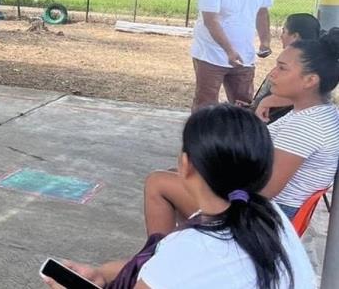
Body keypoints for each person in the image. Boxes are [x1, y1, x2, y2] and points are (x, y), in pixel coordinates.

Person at [42, 105, 315, 289]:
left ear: (186, 165)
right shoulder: (266, 214)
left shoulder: (193, 248)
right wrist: (100, 273)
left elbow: (173, 263)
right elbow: (159, 266)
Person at [144, 28, 339, 237]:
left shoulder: (305, 128)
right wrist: (271, 99)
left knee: (159, 182)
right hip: (269, 210)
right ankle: (195, 247)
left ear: (310, 80)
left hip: (263, 219)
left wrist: (214, 182)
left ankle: (157, 258)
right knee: (179, 173)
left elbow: (265, 191)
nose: (272, 73)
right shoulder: (320, 112)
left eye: (282, 68)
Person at [191, 0, 273, 111]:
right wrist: (228, 50)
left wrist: (265, 41)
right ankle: (202, 136)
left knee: (243, 102)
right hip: (210, 53)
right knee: (205, 103)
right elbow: (210, 20)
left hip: (244, 55)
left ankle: (239, 137)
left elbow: (262, 12)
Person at [251, 13, 321, 123]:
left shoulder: (306, 61)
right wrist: (254, 104)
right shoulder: (300, 58)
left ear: (295, 36)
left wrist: (265, 102)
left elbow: (306, 94)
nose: (281, 36)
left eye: (284, 31)